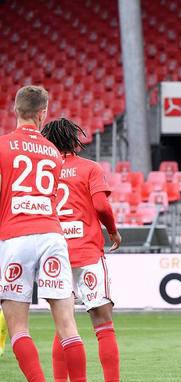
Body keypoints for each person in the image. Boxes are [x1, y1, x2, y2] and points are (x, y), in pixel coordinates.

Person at [0, 86, 87, 381]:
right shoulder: (53, 152)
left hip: (15, 237)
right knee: (67, 326)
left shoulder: (3, 146)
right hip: (52, 235)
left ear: (15, 110)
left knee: (19, 329)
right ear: (43, 113)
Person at [42, 118, 122, 382]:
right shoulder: (89, 168)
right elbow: (101, 206)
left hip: (55, 254)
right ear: (74, 140)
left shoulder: (42, 171)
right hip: (87, 253)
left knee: (63, 326)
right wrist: (112, 230)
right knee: (103, 324)